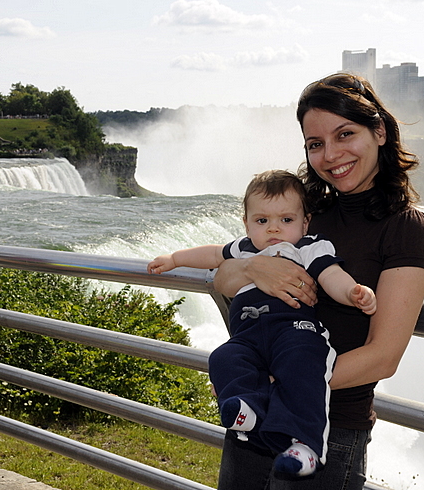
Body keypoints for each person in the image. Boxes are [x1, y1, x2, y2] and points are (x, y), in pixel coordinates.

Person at [212, 73, 424, 490]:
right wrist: (254, 268)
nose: (331, 154)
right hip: (256, 420)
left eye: (345, 134)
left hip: (328, 430)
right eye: (315, 144)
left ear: (380, 131)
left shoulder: (405, 228)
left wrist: (282, 381)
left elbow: (383, 357)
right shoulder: (302, 213)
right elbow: (223, 277)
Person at [147, 169, 377, 477]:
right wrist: (175, 259)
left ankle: (307, 446)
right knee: (224, 357)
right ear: (246, 223)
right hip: (250, 335)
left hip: (294, 331)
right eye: (262, 221)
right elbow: (213, 254)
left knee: (303, 367)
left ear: (304, 222)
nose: (274, 229)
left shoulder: (308, 247)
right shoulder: (244, 249)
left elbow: (331, 276)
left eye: (286, 220)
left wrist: (353, 292)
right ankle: (247, 409)